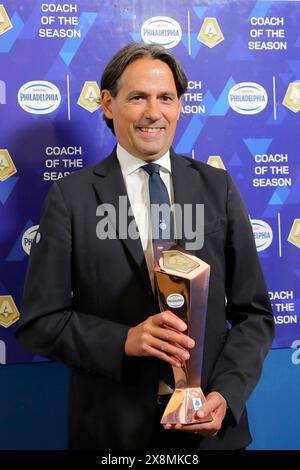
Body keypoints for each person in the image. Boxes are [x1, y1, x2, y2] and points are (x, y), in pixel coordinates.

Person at [15, 43, 274, 450]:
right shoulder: (72, 198)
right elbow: (39, 322)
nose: (154, 112)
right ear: (107, 104)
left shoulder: (217, 188)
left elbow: (254, 314)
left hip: (210, 433)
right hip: (112, 432)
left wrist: (227, 396)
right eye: (138, 97)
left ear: (179, 106)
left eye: (166, 98)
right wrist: (125, 340)